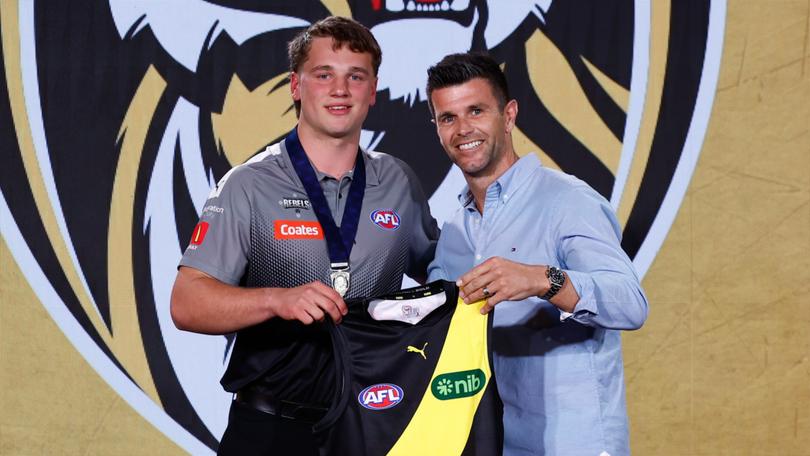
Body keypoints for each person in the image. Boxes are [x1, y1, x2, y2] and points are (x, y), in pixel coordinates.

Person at [170, 16, 438, 455]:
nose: (340, 90)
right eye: (323, 75)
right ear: (296, 86)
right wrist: (278, 299)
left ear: (373, 91)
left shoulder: (398, 181)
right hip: (272, 427)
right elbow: (186, 303)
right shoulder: (249, 184)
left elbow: (447, 271)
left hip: (372, 426)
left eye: (356, 76)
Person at [425, 52, 649, 456]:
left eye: (476, 111)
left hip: (575, 446)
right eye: (448, 118)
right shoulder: (454, 231)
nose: (463, 129)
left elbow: (631, 304)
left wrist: (545, 279)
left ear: (508, 115)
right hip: (493, 444)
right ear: (437, 130)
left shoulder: (568, 200)